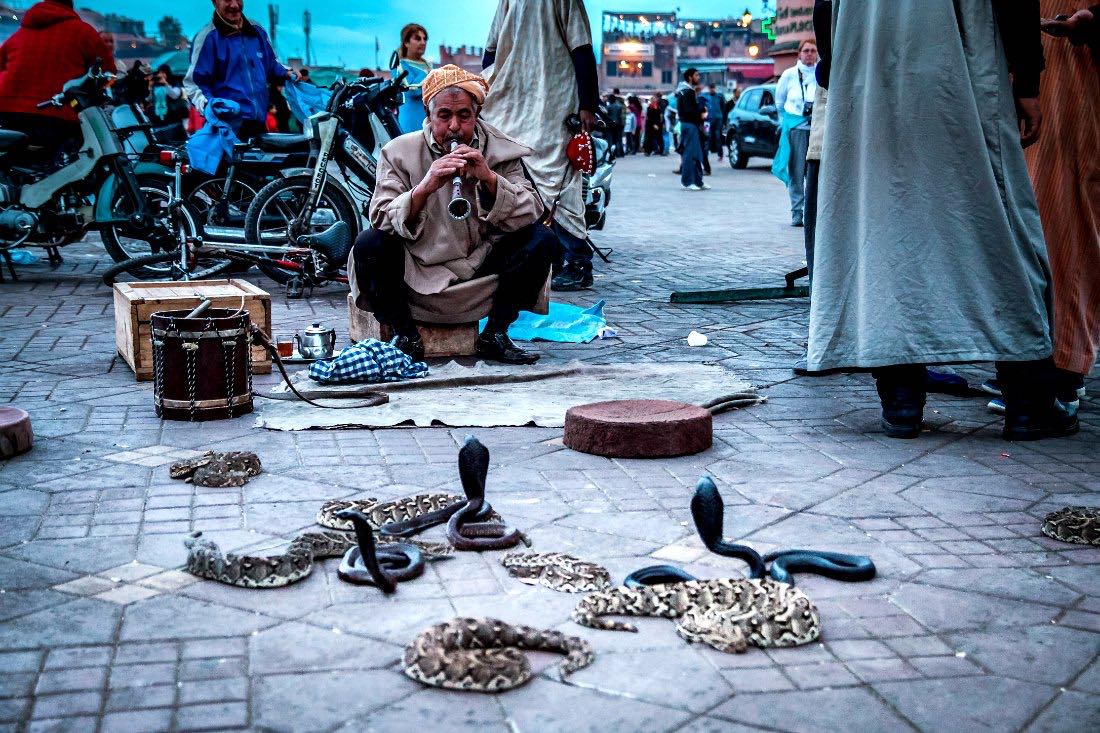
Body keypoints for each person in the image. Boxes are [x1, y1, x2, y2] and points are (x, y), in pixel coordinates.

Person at [808, 0, 1076, 442]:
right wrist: (1027, 79)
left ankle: (901, 402)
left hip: (869, 68)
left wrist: (840, 67)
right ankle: (1027, 401)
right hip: (957, 69)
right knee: (996, 226)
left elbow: (823, 9)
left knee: (885, 227)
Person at [348, 65, 554, 365]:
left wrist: (490, 180)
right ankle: (406, 336)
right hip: (418, 270)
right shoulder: (398, 152)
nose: (455, 127)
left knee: (542, 240)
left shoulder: (501, 151)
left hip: (480, 266)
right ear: (430, 117)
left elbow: (533, 209)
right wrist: (424, 188)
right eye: (444, 116)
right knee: (369, 245)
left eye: (464, 116)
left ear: (476, 115)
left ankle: (495, 333)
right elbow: (380, 215)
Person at [481, 0, 600, 292]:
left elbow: (582, 49)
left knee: (560, 179)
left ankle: (578, 261)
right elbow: (492, 51)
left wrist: (587, 105)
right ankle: (550, 257)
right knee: (521, 177)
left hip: (554, 102)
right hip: (516, 101)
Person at [1023, 3, 1099, 417]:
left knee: (1069, 229)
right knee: (1031, 228)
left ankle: (1065, 366)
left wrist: (1090, 22)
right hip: (1032, 96)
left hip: (1077, 97)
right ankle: (1028, 361)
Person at [0, 0, 115, 167]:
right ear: (70, 6)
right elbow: (107, 70)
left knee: (23, 162)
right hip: (58, 111)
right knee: (75, 162)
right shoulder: (83, 32)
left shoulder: (20, 34)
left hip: (10, 109)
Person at [184, 0, 294, 141]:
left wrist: (287, 72)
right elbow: (193, 85)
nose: (235, 5)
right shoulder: (207, 37)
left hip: (259, 124)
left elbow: (271, 63)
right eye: (228, 0)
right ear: (215, 2)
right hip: (226, 129)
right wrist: (209, 106)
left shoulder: (257, 30)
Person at [772, 39, 818, 226]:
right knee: (797, 173)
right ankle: (797, 212)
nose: (809, 54)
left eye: (813, 50)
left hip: (817, 130)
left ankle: (813, 213)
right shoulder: (789, 75)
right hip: (797, 130)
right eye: (806, 50)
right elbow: (779, 102)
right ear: (799, 54)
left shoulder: (822, 73)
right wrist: (788, 122)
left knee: (816, 175)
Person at [675, 68, 708, 191]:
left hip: (691, 125)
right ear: (690, 77)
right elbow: (689, 111)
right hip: (689, 125)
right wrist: (701, 108)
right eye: (696, 75)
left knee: (697, 153)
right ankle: (688, 181)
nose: (698, 77)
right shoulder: (687, 92)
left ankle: (698, 181)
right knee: (690, 154)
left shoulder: (686, 91)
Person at [395, 23, 432, 134]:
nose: (423, 42)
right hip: (411, 124)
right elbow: (411, 90)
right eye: (417, 39)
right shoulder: (400, 65)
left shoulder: (426, 65)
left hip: (430, 122)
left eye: (425, 39)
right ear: (406, 42)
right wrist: (428, 74)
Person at [700, 82, 724, 160]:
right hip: (708, 120)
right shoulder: (705, 96)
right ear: (709, 88)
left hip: (718, 119)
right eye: (711, 88)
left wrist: (723, 119)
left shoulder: (719, 96)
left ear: (715, 88)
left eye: (713, 88)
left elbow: (723, 107)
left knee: (717, 137)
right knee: (707, 137)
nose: (712, 90)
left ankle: (720, 154)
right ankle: (705, 155)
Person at [606, 91, 625, 157]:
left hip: (611, 125)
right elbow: (620, 116)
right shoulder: (619, 106)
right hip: (618, 124)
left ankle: (613, 153)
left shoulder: (608, 107)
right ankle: (621, 153)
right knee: (619, 139)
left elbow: (607, 116)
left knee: (611, 139)